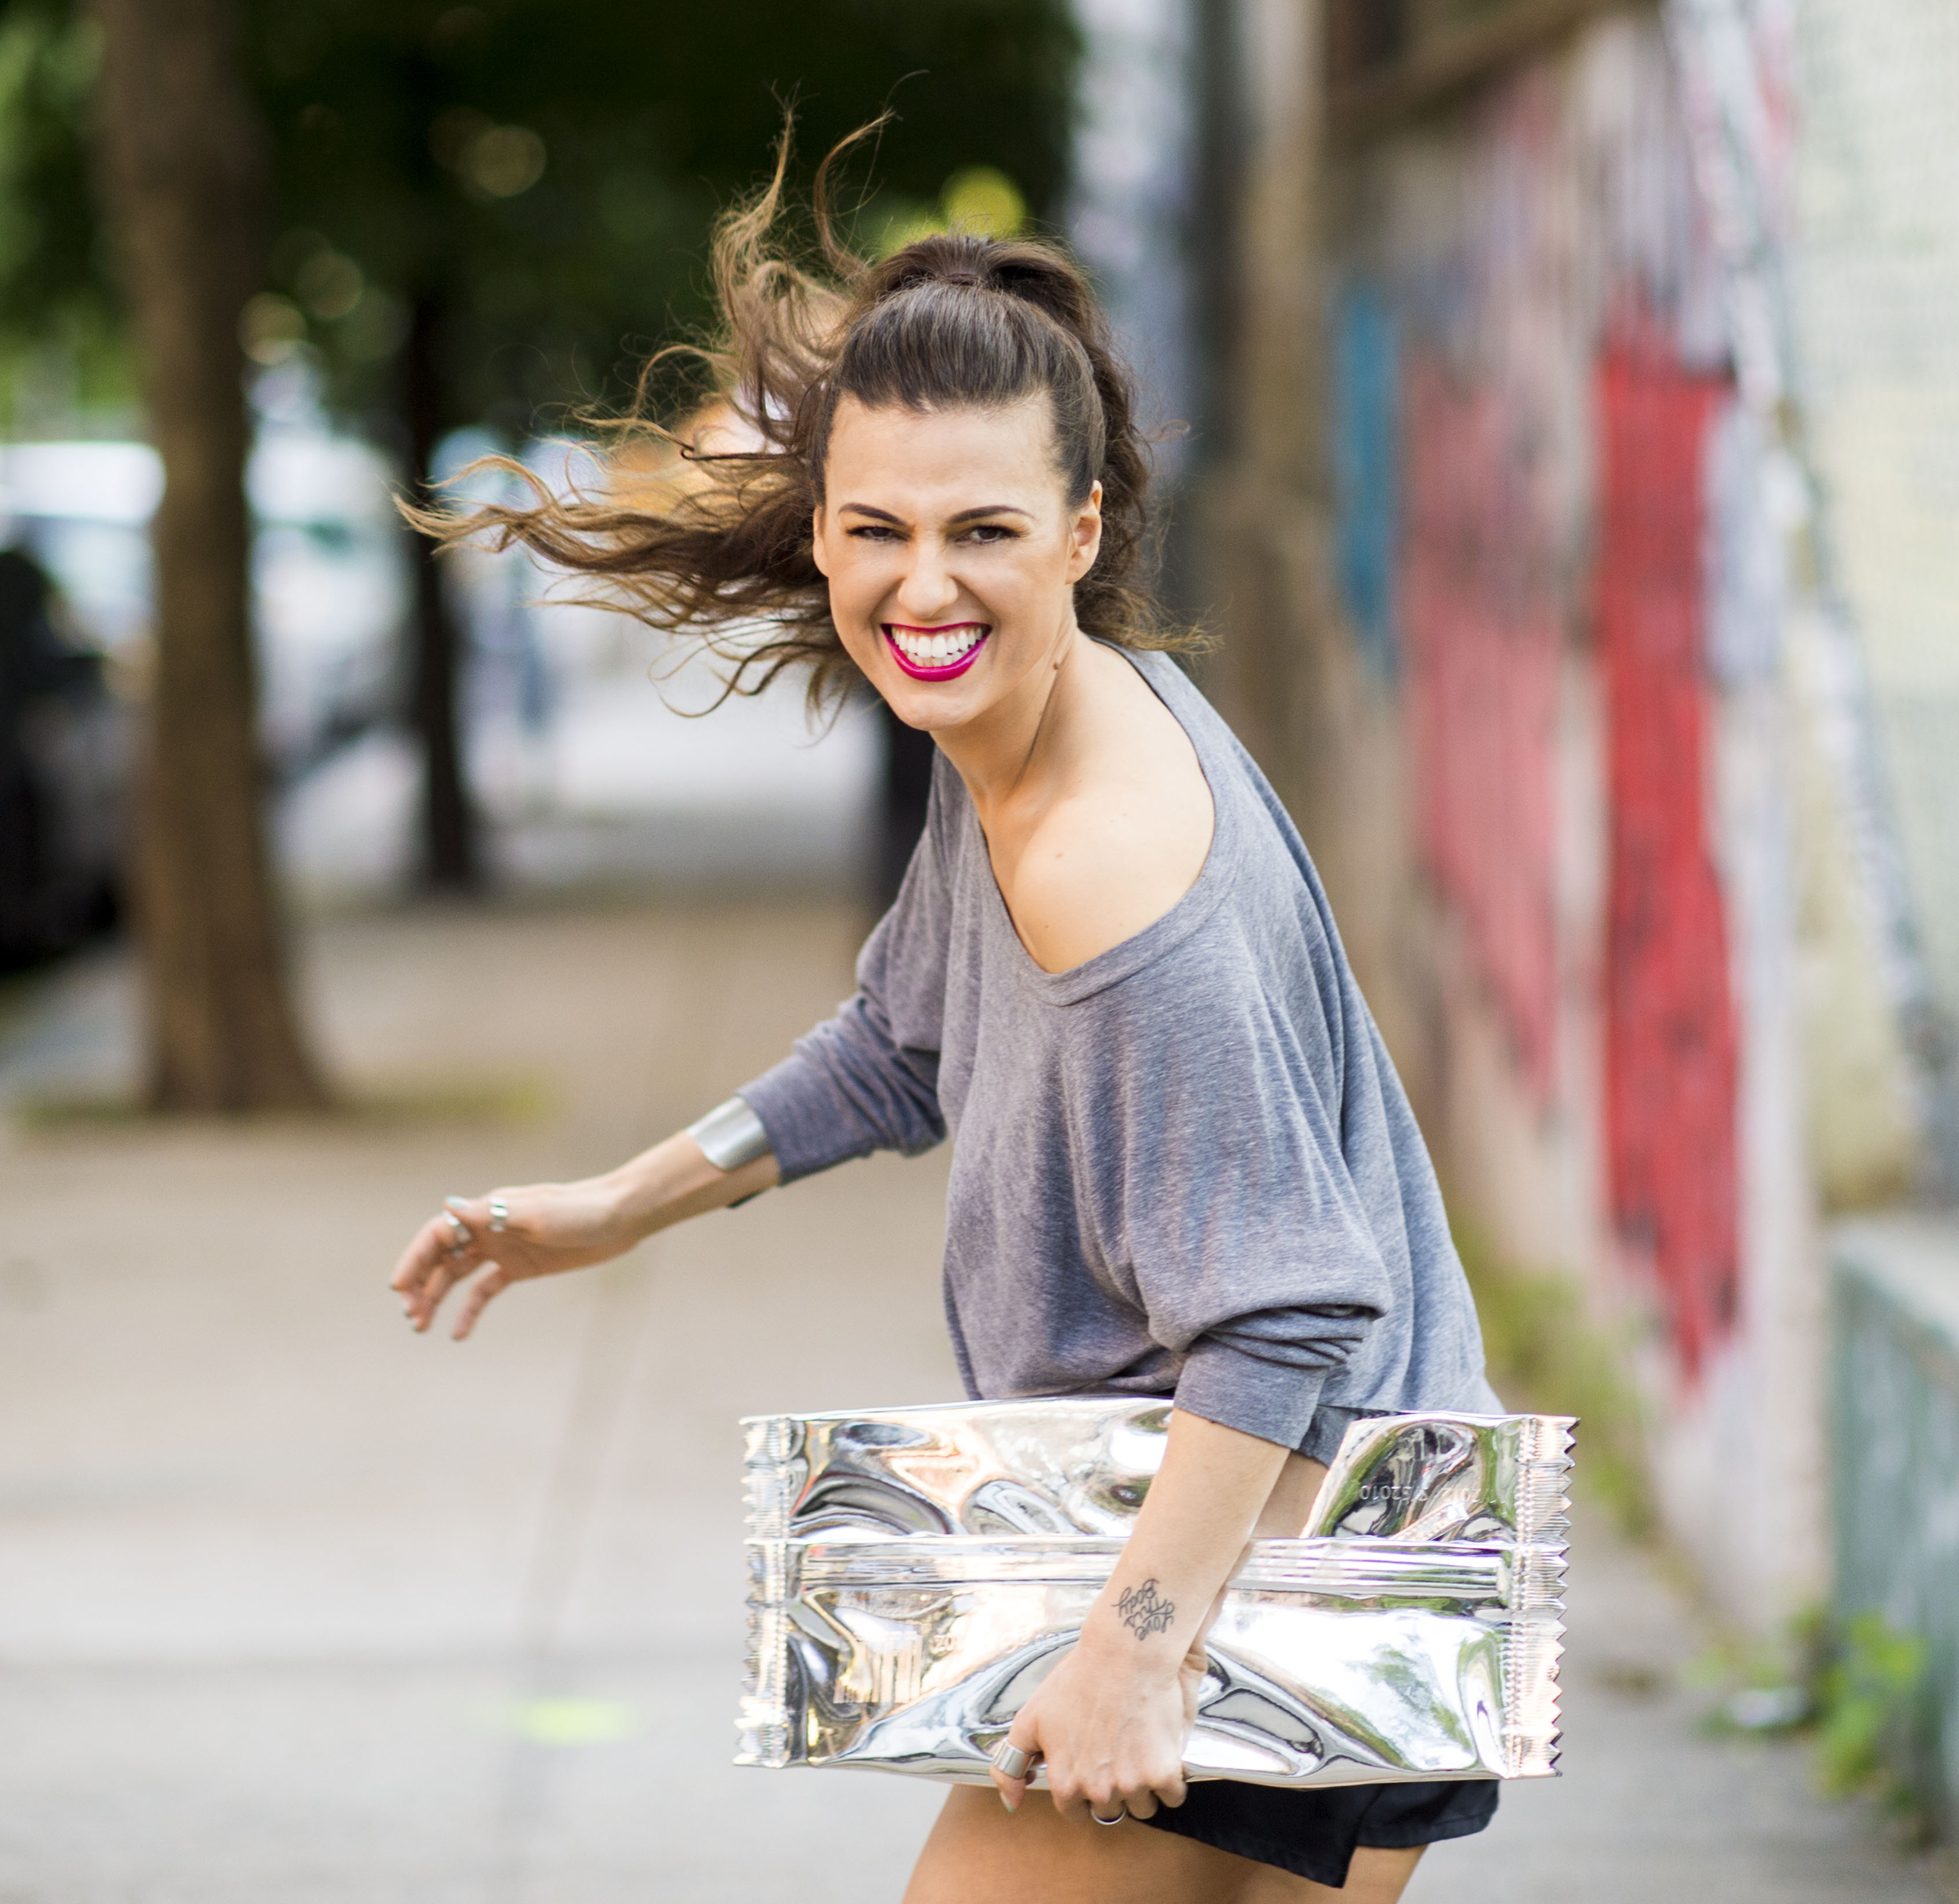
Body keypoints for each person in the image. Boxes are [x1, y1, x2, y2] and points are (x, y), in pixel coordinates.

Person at [384, 150, 1503, 1904]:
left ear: (1083, 532)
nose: (923, 592)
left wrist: (1135, 1650)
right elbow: (900, 1043)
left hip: (1259, 1556)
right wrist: (617, 1208)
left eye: (984, 532)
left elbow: (1288, 1303)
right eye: (878, 529)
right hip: (1331, 1541)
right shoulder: (1031, 730)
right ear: (819, 523)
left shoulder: (1110, 878)